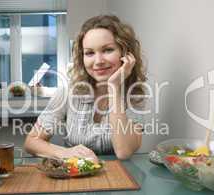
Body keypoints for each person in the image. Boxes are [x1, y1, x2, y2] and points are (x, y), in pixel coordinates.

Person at [24, 15, 147, 161]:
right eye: (89, 53)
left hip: (119, 177)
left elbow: (123, 152)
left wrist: (114, 87)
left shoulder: (135, 96)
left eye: (107, 50)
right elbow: (31, 142)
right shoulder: (68, 92)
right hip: (74, 176)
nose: (98, 61)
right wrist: (64, 153)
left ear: (126, 54)